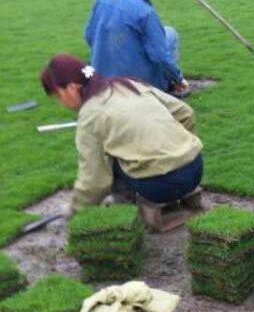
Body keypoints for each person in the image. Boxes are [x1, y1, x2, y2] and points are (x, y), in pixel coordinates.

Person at [40, 54, 203, 215]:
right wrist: (180, 148)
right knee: (120, 146)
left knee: (108, 158)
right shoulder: (129, 85)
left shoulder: (90, 115)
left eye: (59, 96)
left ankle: (124, 206)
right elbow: (185, 113)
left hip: (160, 187)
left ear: (71, 88)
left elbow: (94, 179)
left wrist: (74, 209)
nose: (61, 103)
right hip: (195, 169)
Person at [85, 0, 190, 96]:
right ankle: (169, 87)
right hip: (137, 83)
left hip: (101, 80)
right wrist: (179, 78)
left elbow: (89, 36)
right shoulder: (145, 12)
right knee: (170, 34)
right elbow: (160, 55)